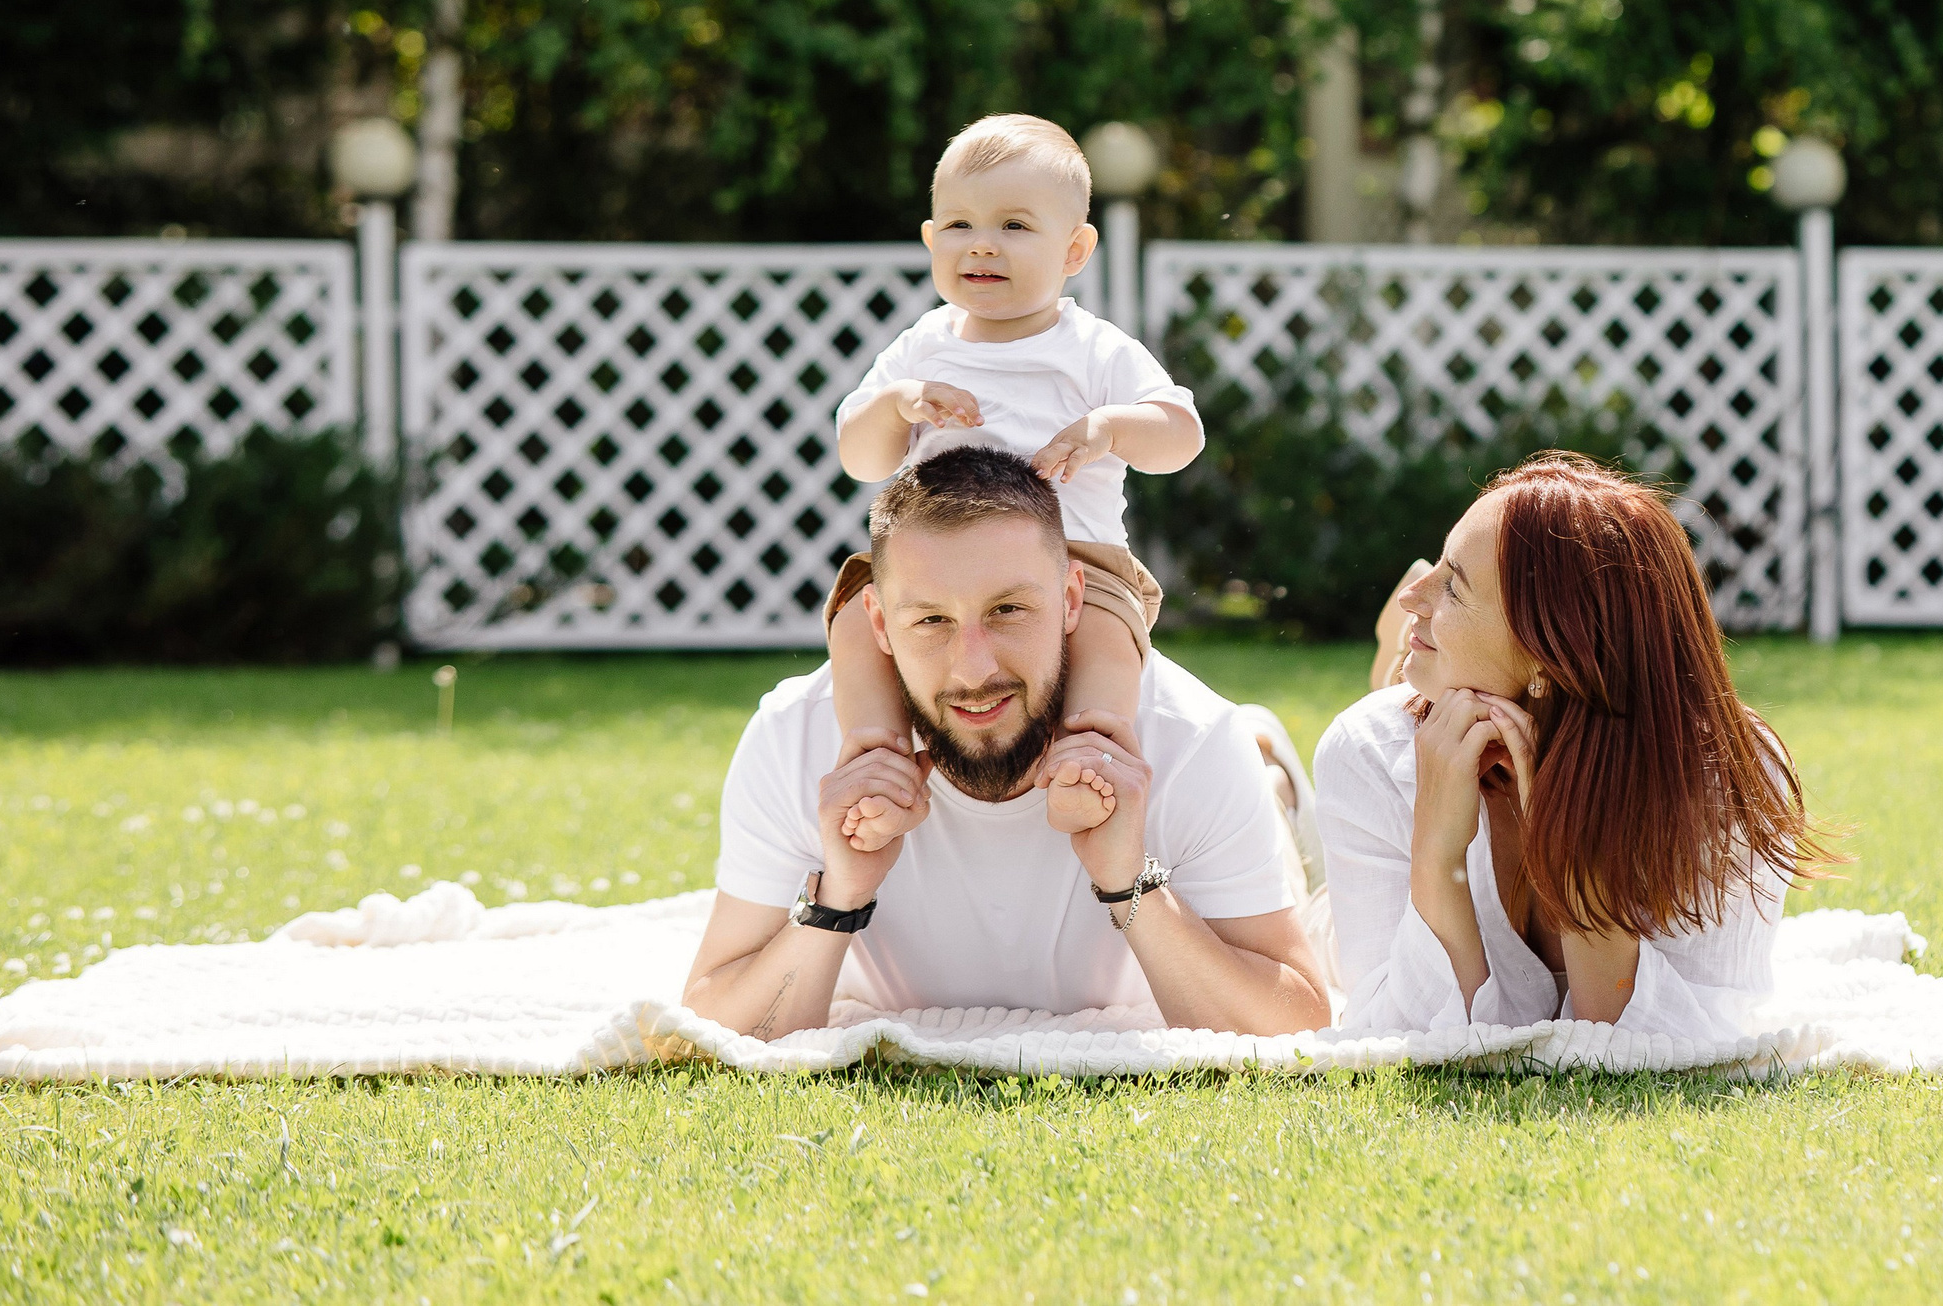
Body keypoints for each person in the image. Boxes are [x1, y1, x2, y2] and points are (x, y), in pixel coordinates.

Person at [682, 444, 1330, 1040]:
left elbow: (1298, 1024)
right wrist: (837, 899)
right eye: (931, 620)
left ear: (1072, 598)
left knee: (1261, 801)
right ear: (878, 621)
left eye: (1008, 611)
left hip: (1225, 773)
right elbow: (713, 1021)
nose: (973, 670)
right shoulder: (796, 736)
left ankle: (1270, 774)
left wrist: (1129, 880)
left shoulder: (1190, 738)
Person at [1315, 453, 1832, 1034]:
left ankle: (1399, 662)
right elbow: (1391, 1034)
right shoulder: (1370, 753)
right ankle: (1310, 733)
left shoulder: (1726, 775)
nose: (1413, 594)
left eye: (1453, 588)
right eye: (1434, 566)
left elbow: (1676, 1041)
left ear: (1549, 651)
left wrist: (1566, 850)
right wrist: (1436, 858)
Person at [826, 114, 1204, 849]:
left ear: (1075, 250)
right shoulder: (921, 348)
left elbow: (1181, 434)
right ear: (932, 241)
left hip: (1075, 564)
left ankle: (1092, 753)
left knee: (1102, 635)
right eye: (961, 224)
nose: (984, 243)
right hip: (936, 577)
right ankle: (875, 754)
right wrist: (899, 403)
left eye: (1015, 225)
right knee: (852, 615)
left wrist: (1109, 427)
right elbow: (859, 455)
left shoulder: (1092, 349)